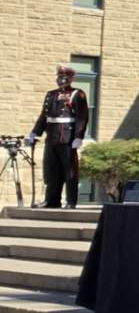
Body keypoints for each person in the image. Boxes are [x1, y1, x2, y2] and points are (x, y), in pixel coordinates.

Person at [26, 64, 89, 209]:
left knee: (69, 171)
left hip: (67, 137)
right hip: (52, 137)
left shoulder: (77, 94)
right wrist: (35, 133)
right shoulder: (51, 94)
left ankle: (71, 201)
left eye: (64, 77)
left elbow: (82, 117)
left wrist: (79, 136)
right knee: (51, 170)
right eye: (59, 77)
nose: (61, 80)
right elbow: (44, 116)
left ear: (71, 79)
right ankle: (51, 201)